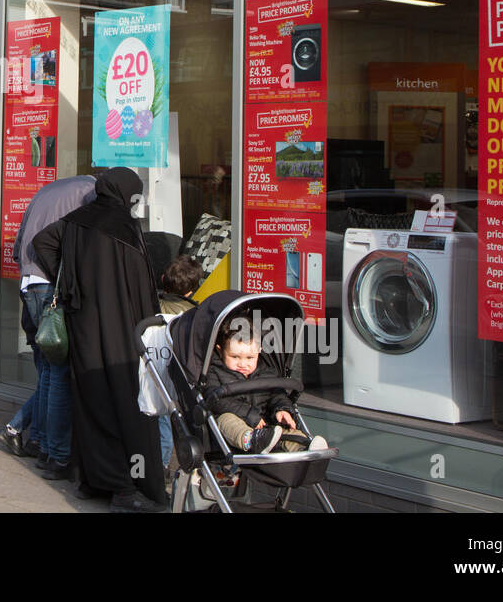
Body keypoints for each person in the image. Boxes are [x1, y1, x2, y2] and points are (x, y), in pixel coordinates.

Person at [32, 167, 167, 512]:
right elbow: (142, 283)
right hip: (122, 328)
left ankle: (91, 480)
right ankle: (126, 487)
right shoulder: (124, 226)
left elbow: (41, 243)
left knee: (90, 398)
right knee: (126, 403)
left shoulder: (76, 220)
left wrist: (68, 285)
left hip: (84, 324)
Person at [0, 175, 96, 473]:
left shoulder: (47, 191)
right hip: (49, 285)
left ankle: (36, 440)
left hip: (28, 281)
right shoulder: (89, 192)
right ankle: (54, 451)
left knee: (47, 370)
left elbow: (19, 243)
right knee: (58, 371)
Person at [205, 315, 327, 454]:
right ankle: (251, 440)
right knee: (226, 419)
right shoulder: (215, 371)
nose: (243, 364)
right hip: (234, 429)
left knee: (286, 429)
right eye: (235, 357)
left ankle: (305, 446)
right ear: (220, 351)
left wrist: (282, 409)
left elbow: (276, 395)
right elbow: (215, 401)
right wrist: (248, 414)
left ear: (259, 350)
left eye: (250, 358)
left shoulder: (266, 372)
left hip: (266, 426)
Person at [155, 255, 202, 470]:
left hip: (154, 370)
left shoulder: (153, 305)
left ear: (164, 279)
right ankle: (167, 465)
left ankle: (160, 467)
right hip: (182, 377)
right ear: (192, 290)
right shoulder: (195, 314)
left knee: (160, 421)